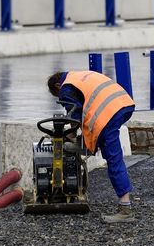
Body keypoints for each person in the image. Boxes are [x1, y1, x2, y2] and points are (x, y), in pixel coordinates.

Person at [47, 70, 136, 223]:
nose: (61, 98)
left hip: (108, 113)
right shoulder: (77, 76)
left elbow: (74, 115)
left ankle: (125, 209)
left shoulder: (66, 87)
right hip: (123, 103)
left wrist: (69, 138)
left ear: (57, 85)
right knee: (109, 150)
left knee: (113, 158)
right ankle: (125, 205)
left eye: (58, 95)